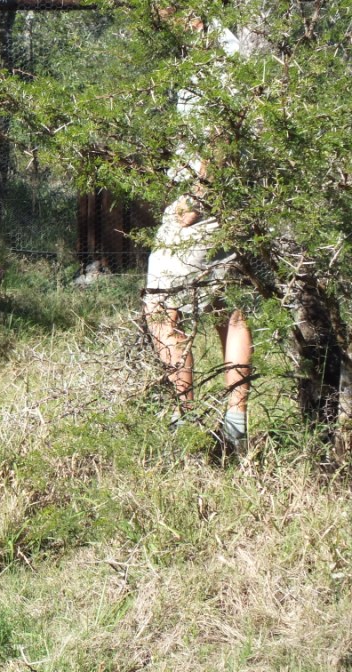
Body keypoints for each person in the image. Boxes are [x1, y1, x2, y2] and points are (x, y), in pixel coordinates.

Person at [142, 8, 253, 453]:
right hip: (236, 201)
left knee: (160, 306)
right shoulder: (210, 47)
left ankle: (181, 422)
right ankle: (234, 424)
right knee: (228, 307)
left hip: (206, 203)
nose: (155, 12)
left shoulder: (217, 50)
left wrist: (196, 198)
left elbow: (227, 125)